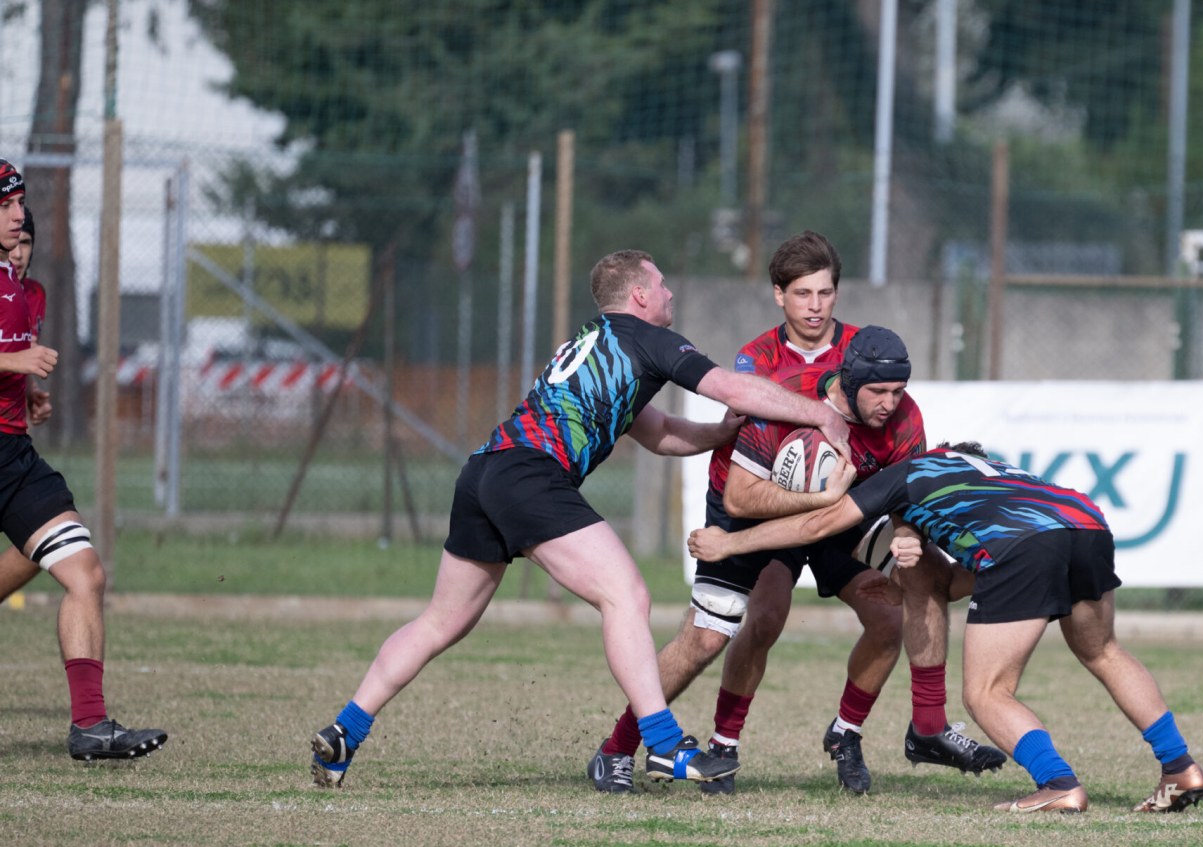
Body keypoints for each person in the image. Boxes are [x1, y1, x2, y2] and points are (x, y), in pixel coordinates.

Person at [308, 248, 850, 789]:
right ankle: (664, 745)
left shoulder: (591, 341)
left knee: (441, 621)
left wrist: (717, 435)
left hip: (484, 472)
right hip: (531, 476)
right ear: (639, 295)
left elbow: (655, 432)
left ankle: (344, 731)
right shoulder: (650, 338)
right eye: (661, 284)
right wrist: (821, 413)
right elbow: (732, 387)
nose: (668, 294)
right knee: (627, 596)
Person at [590, 234, 1002, 796]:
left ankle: (880, 729)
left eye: (826, 292)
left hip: (845, 511)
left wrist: (905, 530)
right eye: (803, 293)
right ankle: (640, 747)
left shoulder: (869, 357)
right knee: (734, 629)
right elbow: (742, 492)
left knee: (908, 591)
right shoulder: (755, 364)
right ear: (778, 295)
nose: (816, 305)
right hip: (758, 508)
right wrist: (820, 485)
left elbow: (899, 461)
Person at [688, 414, 1203, 814]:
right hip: (1085, 523)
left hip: (1024, 545)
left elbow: (815, 527)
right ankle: (1180, 768)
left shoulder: (908, 473)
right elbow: (972, 580)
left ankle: (1058, 785)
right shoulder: (999, 475)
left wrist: (729, 545)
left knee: (986, 692)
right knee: (1103, 652)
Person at [0, 163, 167, 760]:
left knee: (85, 573)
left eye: (19, 203)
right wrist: (14, 365)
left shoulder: (18, 286)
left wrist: (23, 394)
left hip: (12, 456)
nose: (19, 216)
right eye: (7, 207)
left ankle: (91, 726)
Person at [0, 205, 54, 602]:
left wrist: (29, 394)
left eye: (27, 242)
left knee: (48, 540)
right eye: (15, 241)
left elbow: (17, 359)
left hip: (11, 444)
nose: (18, 251)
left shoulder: (33, 296)